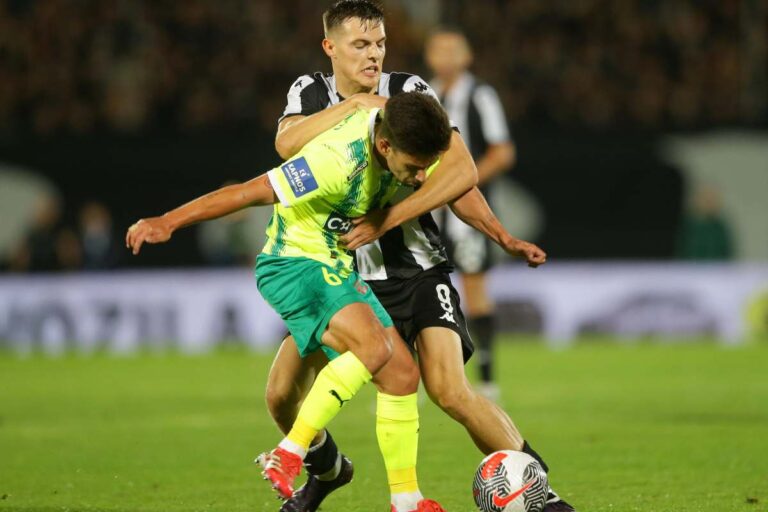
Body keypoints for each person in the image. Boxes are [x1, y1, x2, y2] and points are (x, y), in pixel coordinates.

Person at [266, 2, 575, 512]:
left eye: (380, 43)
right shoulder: (309, 92)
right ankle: (328, 473)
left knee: (451, 391)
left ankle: (541, 493)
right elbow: (286, 143)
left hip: (417, 271)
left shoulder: (410, 92)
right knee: (280, 396)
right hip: (342, 280)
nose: (374, 54)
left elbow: (459, 174)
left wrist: (500, 235)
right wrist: (353, 107)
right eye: (360, 45)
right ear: (331, 48)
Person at [126, 92, 454, 512]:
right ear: (385, 146)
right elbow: (248, 193)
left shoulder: (409, 137)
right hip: (293, 262)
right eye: (414, 168)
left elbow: (460, 178)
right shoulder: (335, 160)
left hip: (334, 265)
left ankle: (405, 500)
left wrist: (502, 236)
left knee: (399, 377)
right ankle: (289, 452)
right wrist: (167, 221)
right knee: (374, 348)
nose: (421, 178)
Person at [425, 27, 516, 401]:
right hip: (428, 212)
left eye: (453, 51)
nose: (445, 58)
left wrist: (463, 178)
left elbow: (503, 152)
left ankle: (487, 378)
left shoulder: (481, 95)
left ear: (467, 57)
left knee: (475, 289)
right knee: (421, 289)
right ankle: (419, 378)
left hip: (465, 212)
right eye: (438, 50)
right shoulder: (422, 93)